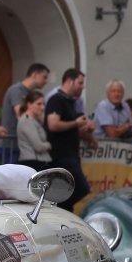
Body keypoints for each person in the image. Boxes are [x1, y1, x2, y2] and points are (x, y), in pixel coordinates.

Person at [44, 68, 92, 212]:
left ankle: (62, 211)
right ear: (70, 81)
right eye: (80, 83)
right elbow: (53, 124)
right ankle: (55, 207)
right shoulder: (57, 100)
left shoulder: (70, 102)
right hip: (61, 156)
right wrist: (76, 123)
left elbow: (71, 127)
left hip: (71, 154)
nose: (82, 87)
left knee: (71, 190)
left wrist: (86, 130)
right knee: (81, 187)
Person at [1, 63, 50, 131]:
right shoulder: (16, 90)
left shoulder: (31, 93)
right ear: (35, 75)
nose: (46, 81)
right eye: (44, 77)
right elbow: (21, 115)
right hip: (12, 136)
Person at [15, 89, 51, 170]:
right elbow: (38, 146)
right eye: (39, 104)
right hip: (32, 163)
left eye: (43, 104)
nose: (42, 107)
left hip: (37, 162)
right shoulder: (27, 121)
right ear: (29, 104)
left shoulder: (33, 120)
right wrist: (49, 145)